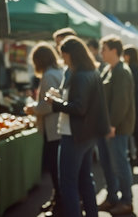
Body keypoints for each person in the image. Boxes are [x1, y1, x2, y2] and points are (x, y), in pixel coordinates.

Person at [46, 36, 110, 216]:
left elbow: (79, 108)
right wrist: (58, 98)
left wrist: (54, 103)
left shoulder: (80, 75)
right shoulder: (91, 72)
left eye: (64, 55)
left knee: (68, 183)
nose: (63, 59)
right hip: (86, 135)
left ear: (71, 55)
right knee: (85, 180)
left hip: (74, 134)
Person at [23, 42, 64, 214]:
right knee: (57, 169)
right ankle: (57, 201)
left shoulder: (48, 75)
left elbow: (48, 106)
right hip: (58, 127)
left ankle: (59, 204)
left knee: (55, 169)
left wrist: (33, 109)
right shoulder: (58, 72)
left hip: (53, 128)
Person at [97, 35, 135, 215]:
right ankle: (112, 197)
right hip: (106, 127)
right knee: (107, 164)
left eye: (103, 49)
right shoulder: (108, 69)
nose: (101, 53)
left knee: (119, 164)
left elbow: (121, 102)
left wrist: (111, 125)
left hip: (117, 129)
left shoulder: (122, 71)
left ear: (114, 50)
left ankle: (126, 201)